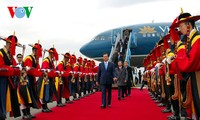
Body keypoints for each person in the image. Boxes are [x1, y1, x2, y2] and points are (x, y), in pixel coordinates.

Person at [170, 12, 200, 120]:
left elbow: (191, 62)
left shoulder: (197, 38)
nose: (180, 29)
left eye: (181, 26)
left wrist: (175, 62)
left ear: (189, 25)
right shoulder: (191, 39)